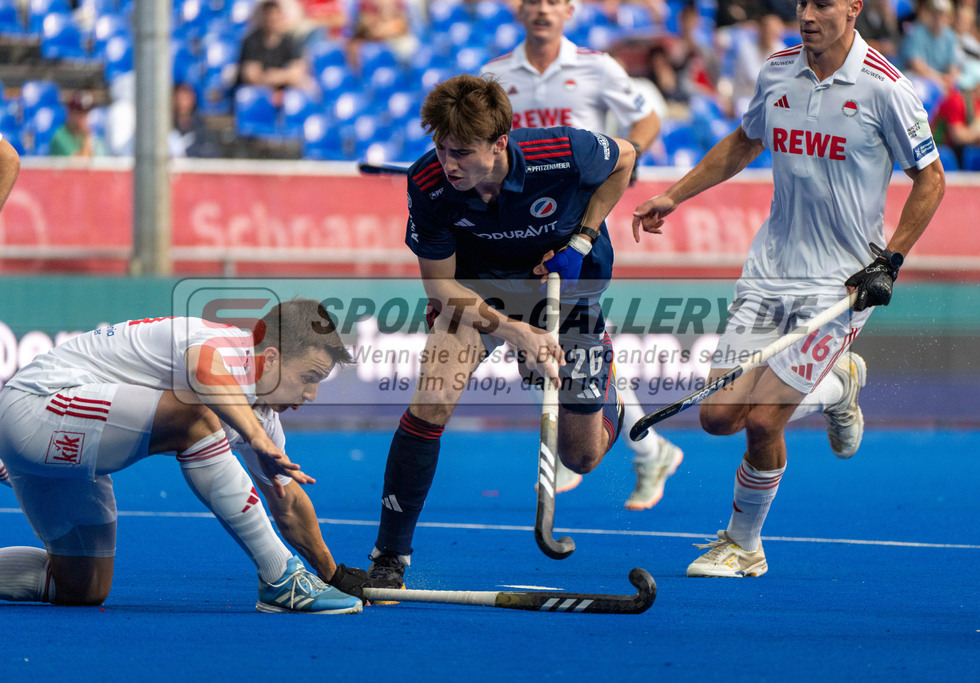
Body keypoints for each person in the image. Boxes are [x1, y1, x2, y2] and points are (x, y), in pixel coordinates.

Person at [632, 0, 945, 577]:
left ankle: (744, 545)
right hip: (769, 270)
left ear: (853, 9)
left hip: (840, 284)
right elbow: (745, 141)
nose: (807, 14)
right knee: (720, 415)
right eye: (803, 2)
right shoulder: (777, 69)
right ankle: (840, 385)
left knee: (762, 420)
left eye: (823, 4)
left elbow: (930, 178)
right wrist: (675, 195)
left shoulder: (886, 89)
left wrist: (890, 260)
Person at [365, 74, 636, 591]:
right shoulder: (428, 183)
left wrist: (583, 238)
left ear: (499, 144)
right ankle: (390, 555)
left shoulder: (562, 152)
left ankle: (609, 397)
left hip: (567, 291)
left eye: (463, 152)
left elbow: (626, 157)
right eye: (442, 149)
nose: (449, 164)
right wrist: (517, 333)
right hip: (479, 294)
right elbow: (441, 290)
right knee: (431, 398)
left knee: (579, 456)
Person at [0, 299, 368, 612]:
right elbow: (203, 373)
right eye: (310, 377)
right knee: (195, 414)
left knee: (82, 586)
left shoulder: (263, 418)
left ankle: (298, 579)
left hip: (64, 443)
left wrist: (332, 575)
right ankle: (280, 577)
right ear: (271, 357)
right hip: (34, 409)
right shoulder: (221, 345)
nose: (311, 395)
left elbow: (288, 504)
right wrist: (255, 438)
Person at [480, 0, 682, 512]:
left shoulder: (596, 67)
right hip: (515, 229)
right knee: (535, 335)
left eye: (553, 2)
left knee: (571, 332)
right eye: (533, 3)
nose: (543, 11)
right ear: (517, 10)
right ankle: (646, 448)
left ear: (568, 10)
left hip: (576, 227)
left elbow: (647, 120)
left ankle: (592, 445)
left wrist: (621, 170)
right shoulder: (495, 75)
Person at [237, 0, 310, 107]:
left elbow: (297, 72)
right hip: (258, 98)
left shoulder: (289, 41)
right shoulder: (251, 41)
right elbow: (251, 76)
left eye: (276, 17)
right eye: (269, 18)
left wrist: (271, 76)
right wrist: (284, 76)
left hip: (283, 94)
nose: (273, 21)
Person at [931, 59, 980, 167]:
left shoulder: (978, 102)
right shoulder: (955, 100)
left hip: (960, 154)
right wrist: (977, 131)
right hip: (941, 154)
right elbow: (958, 136)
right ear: (975, 84)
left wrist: (972, 132)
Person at [169, 82, 223, 158]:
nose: (181, 103)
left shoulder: (201, 129)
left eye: (185, 99)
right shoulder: (166, 128)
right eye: (178, 99)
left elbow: (212, 154)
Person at [49, 91, 108, 158]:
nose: (83, 117)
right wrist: (87, 137)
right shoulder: (60, 136)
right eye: (79, 112)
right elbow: (78, 164)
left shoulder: (95, 137)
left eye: (86, 113)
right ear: (70, 112)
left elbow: (103, 163)